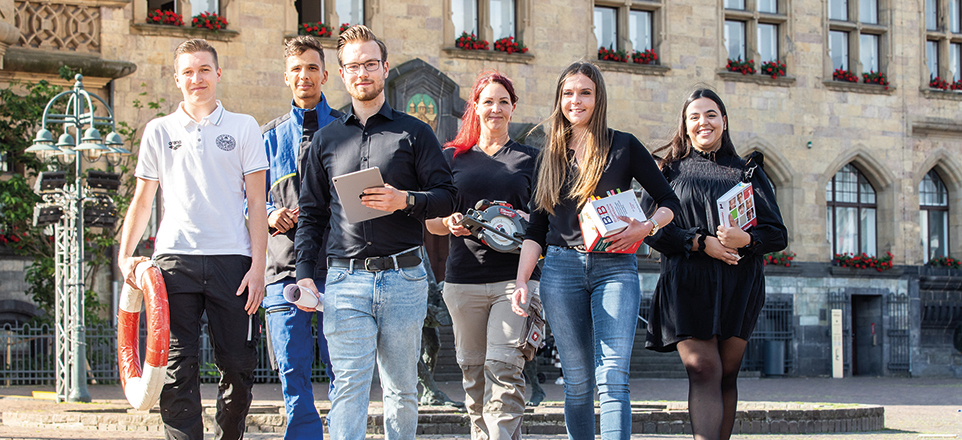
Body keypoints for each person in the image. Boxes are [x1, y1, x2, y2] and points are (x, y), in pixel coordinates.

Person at [294, 25, 457, 440]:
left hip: (404, 278)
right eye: (353, 66)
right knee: (349, 386)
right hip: (345, 280)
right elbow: (311, 215)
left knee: (401, 388)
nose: (362, 72)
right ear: (341, 74)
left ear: (384, 68)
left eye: (370, 64)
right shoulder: (325, 141)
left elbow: (448, 197)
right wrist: (304, 274)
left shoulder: (414, 133)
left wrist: (406, 200)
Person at [510, 61, 680, 439]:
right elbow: (536, 229)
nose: (576, 100)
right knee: (577, 381)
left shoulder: (623, 145)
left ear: (598, 97)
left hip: (615, 268)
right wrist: (522, 280)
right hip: (560, 270)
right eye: (568, 93)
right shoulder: (549, 155)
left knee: (613, 375)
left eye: (585, 92)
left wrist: (647, 226)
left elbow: (669, 201)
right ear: (559, 100)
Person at [117, 38, 268, 440]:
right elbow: (143, 199)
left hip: (233, 261)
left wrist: (258, 267)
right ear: (176, 78)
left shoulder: (244, 127)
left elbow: (257, 202)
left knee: (238, 367)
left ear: (217, 74)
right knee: (176, 369)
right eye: (187, 71)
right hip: (174, 261)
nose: (196, 78)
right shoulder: (158, 130)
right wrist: (125, 256)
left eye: (203, 70)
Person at [642, 89, 787, 440]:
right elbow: (649, 229)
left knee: (727, 375)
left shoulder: (747, 171)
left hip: (739, 285)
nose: (703, 122)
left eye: (710, 114)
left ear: (724, 120)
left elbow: (777, 234)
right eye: (694, 116)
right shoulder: (666, 171)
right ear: (685, 125)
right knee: (704, 369)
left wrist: (746, 239)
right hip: (687, 284)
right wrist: (698, 242)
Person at [425, 71, 539, 440]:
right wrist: (449, 221)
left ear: (513, 108)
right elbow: (432, 223)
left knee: (504, 368)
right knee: (474, 375)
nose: (496, 108)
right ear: (475, 107)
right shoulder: (451, 158)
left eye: (503, 101)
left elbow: (545, 222)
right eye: (488, 101)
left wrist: (525, 221)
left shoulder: (531, 159)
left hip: (515, 280)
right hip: (463, 281)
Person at [260, 35, 340, 439]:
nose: (304, 75)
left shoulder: (347, 129)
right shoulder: (267, 136)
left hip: (337, 266)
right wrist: (269, 213)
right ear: (286, 77)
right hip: (283, 269)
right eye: (296, 69)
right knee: (291, 367)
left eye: (312, 68)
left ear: (325, 75)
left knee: (342, 365)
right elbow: (245, 199)